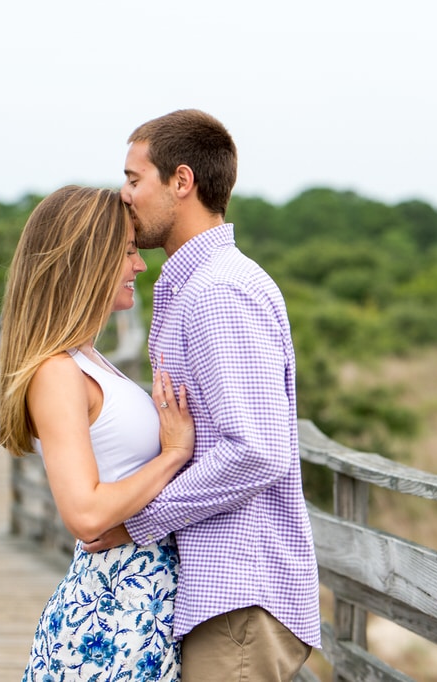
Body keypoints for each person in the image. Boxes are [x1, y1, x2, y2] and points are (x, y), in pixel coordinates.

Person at [82, 110, 322, 680]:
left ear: (181, 182)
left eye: (135, 179)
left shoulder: (219, 293)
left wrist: (141, 522)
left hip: (239, 592)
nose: (124, 194)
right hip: (221, 591)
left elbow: (258, 450)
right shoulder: (195, 285)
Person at [0, 185, 195, 681]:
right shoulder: (57, 371)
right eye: (125, 252)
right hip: (112, 616)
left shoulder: (85, 358)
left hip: (135, 604)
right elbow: (84, 513)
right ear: (87, 262)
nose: (139, 265)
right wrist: (173, 455)